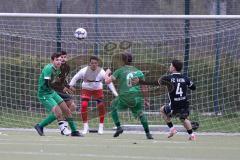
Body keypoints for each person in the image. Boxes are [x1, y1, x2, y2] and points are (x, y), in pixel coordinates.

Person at [133, 59, 197, 140]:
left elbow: (154, 83)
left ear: (173, 68)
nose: (169, 67)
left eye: (170, 65)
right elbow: (193, 87)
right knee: (184, 119)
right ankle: (192, 135)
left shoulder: (168, 78)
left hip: (174, 106)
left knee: (162, 110)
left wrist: (140, 81)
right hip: (184, 104)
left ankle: (172, 129)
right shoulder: (185, 78)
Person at [104, 52, 153, 139]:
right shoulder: (139, 72)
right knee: (140, 113)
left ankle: (119, 127)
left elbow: (107, 81)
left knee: (112, 105)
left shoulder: (119, 70)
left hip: (124, 97)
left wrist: (106, 73)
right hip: (136, 98)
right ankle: (148, 133)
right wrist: (146, 99)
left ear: (123, 61)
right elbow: (144, 88)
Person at [34, 52, 82, 137]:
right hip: (44, 94)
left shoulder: (58, 69)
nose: (59, 61)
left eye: (60, 60)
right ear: (52, 61)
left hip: (52, 93)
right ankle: (40, 126)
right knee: (58, 112)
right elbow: (48, 84)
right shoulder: (48, 68)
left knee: (66, 110)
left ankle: (74, 131)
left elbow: (60, 81)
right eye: (57, 60)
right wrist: (62, 87)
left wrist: (68, 86)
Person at [69, 55, 118, 134]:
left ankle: (101, 127)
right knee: (84, 105)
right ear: (89, 63)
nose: (94, 65)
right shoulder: (84, 70)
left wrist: (115, 93)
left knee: (101, 105)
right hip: (86, 88)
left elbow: (109, 82)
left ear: (98, 64)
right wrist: (70, 85)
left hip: (97, 89)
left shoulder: (101, 71)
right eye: (92, 63)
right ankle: (85, 127)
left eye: (95, 63)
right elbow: (75, 77)